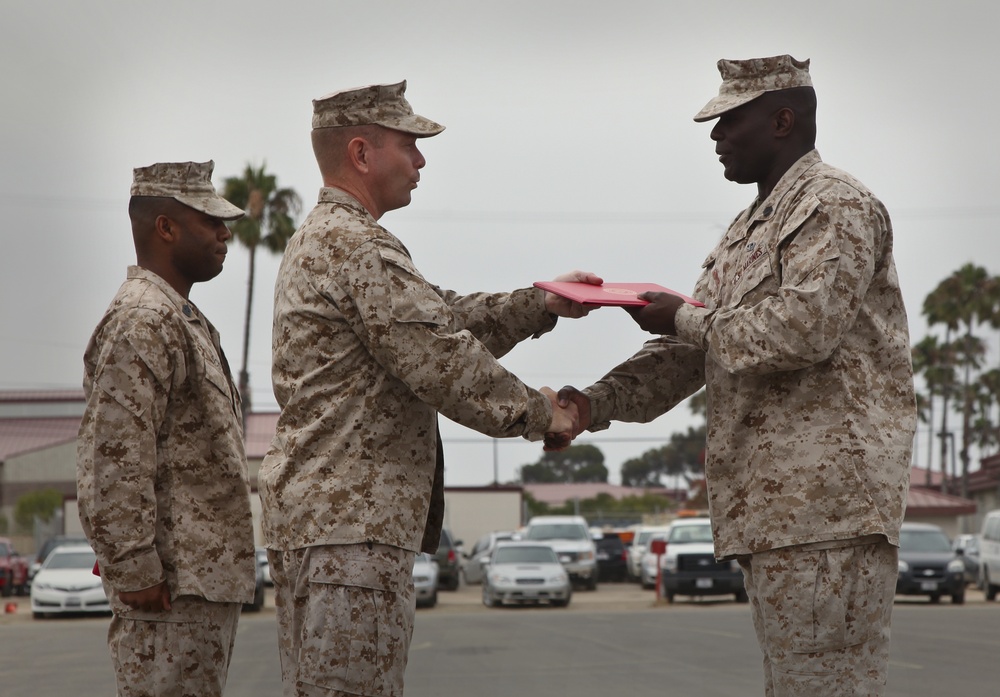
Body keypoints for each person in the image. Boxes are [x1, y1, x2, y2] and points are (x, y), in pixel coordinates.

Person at [554, 56, 916, 696]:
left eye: (729, 122)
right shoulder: (746, 233)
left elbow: (801, 331)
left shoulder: (835, 206)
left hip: (827, 514)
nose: (716, 137)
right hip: (780, 519)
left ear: (783, 120)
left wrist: (683, 318)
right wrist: (590, 405)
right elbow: (693, 350)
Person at [258, 80, 595, 697]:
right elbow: (441, 359)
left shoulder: (332, 241)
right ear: (361, 154)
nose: (421, 160)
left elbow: (438, 319)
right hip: (350, 531)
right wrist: (542, 413)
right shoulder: (357, 246)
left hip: (331, 525)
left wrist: (541, 303)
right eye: (409, 145)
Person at [77, 161, 257, 697]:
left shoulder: (176, 316)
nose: (225, 232)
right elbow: (114, 456)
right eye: (210, 220)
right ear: (166, 228)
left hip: (194, 584)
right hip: (168, 591)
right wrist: (134, 566)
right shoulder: (144, 318)